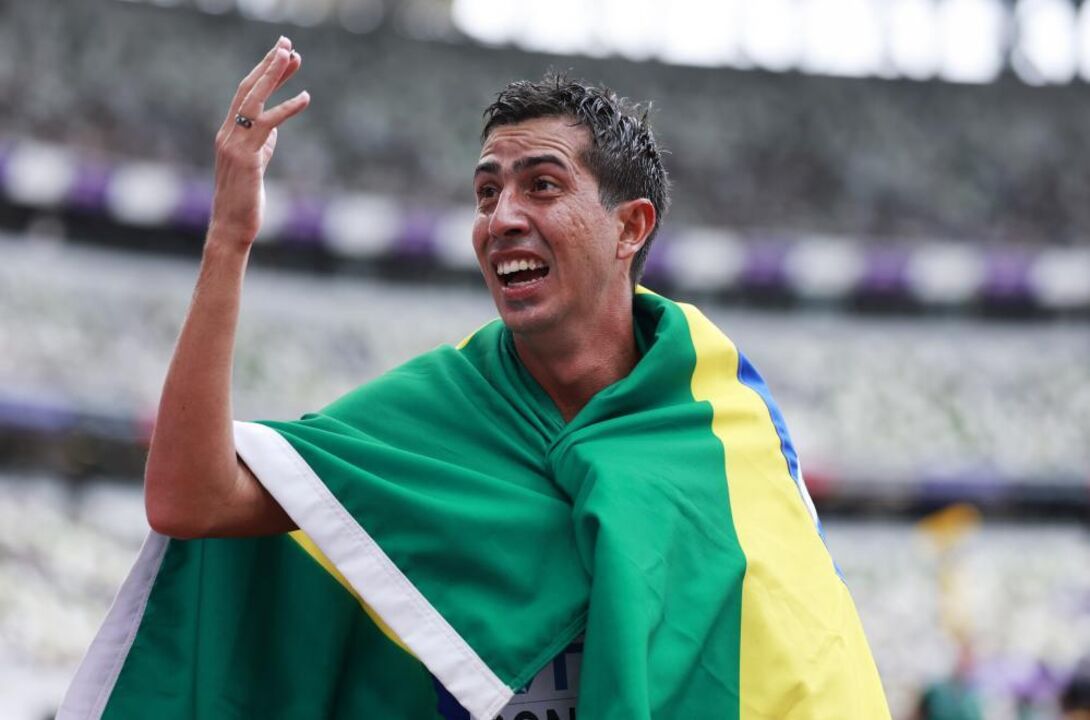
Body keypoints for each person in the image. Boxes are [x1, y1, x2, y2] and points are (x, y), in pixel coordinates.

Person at [61, 38, 890, 719]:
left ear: (630, 227)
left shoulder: (717, 420)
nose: (502, 219)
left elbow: (806, 670)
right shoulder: (439, 411)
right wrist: (228, 239)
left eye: (543, 185)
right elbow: (187, 500)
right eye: (487, 192)